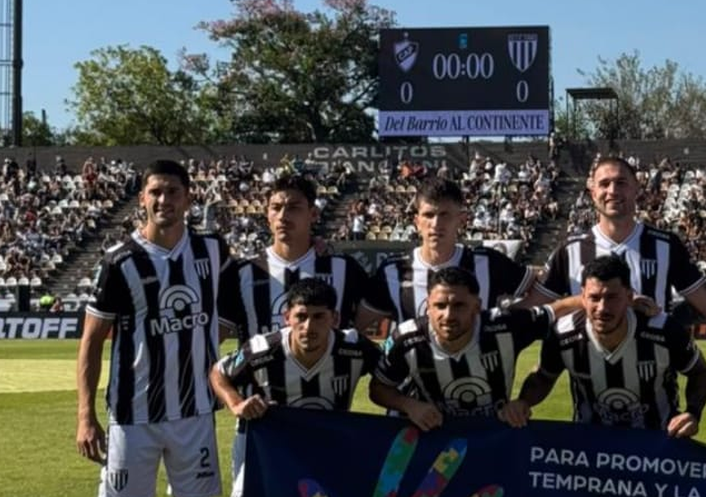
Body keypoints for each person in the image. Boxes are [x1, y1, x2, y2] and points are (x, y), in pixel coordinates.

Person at [76, 159, 232, 497]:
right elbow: (92, 341)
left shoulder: (212, 250)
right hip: (134, 416)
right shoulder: (119, 261)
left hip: (194, 412)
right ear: (142, 199)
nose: (164, 200)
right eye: (156, 192)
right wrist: (85, 415)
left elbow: (249, 288)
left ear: (188, 198)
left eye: (173, 192)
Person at [210, 278, 383, 497]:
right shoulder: (262, 350)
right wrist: (236, 404)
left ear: (335, 318)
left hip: (327, 449)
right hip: (263, 448)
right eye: (301, 317)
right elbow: (218, 372)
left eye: (318, 317)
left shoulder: (354, 348)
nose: (308, 326)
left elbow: (389, 378)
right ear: (286, 317)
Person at [504, 256, 706, 437]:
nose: (602, 308)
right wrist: (523, 402)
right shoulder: (562, 335)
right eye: (594, 298)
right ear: (582, 296)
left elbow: (699, 371)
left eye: (612, 297)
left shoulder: (663, 330)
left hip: (656, 445)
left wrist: (693, 413)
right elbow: (543, 377)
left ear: (629, 297)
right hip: (592, 448)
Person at [528, 156, 706, 319]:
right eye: (604, 184)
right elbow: (531, 312)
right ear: (593, 193)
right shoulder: (570, 251)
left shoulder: (665, 245)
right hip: (589, 365)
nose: (613, 191)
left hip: (655, 363)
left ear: (636, 188)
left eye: (621, 183)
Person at [369, 267, 561, 429]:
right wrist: (409, 405)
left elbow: (558, 309)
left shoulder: (504, 324)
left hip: (494, 435)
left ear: (477, 306)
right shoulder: (407, 339)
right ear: (428, 306)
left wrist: (522, 402)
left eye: (459, 305)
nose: (448, 315)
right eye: (440, 305)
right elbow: (378, 389)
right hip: (434, 437)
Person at [358, 178, 535, 334]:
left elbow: (542, 290)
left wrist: (509, 323)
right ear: (417, 222)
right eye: (428, 215)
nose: (436, 224)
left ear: (461, 220)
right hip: (415, 371)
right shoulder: (392, 270)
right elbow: (359, 326)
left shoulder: (488, 262)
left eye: (445, 215)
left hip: (475, 371)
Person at [219, 174, 372, 344]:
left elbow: (372, 318)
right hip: (263, 371)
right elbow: (213, 335)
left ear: (313, 214)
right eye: (276, 207)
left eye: (293, 208)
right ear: (267, 214)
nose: (283, 216)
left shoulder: (345, 269)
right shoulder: (242, 273)